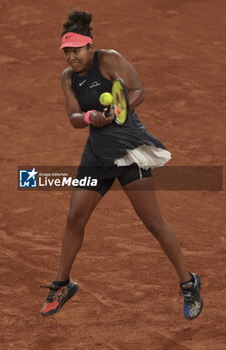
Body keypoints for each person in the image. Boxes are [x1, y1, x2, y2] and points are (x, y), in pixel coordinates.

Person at [40, 10, 203, 320]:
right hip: (97, 156)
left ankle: (188, 282)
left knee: (153, 222)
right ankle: (62, 284)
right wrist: (93, 118)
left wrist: (119, 109)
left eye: (76, 50)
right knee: (75, 218)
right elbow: (74, 117)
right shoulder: (67, 78)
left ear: (90, 46)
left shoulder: (109, 59)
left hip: (128, 151)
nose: (71, 57)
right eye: (66, 51)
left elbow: (138, 89)